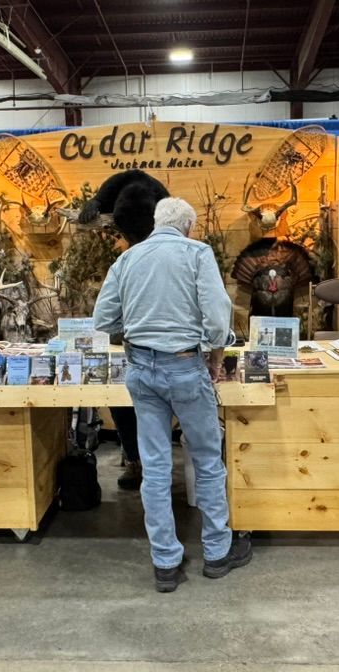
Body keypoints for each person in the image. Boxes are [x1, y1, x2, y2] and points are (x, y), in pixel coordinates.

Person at [94, 197, 251, 592]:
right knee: (207, 460)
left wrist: (137, 325)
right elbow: (217, 319)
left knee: (155, 466)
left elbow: (104, 320)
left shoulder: (128, 259)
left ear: (155, 222)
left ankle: (165, 562)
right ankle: (217, 552)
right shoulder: (197, 253)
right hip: (185, 367)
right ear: (188, 227)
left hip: (141, 371)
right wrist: (214, 357)